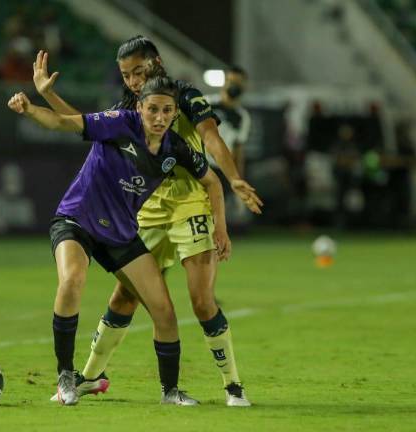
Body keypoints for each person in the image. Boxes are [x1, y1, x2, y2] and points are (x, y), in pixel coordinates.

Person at [32, 36, 262, 406]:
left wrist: (232, 176)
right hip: (149, 208)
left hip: (190, 205)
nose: (135, 81)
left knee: (201, 301)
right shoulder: (131, 107)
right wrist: (46, 96)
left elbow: (211, 137)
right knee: (125, 295)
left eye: (140, 71)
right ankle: (88, 376)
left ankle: (232, 386)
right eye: (127, 75)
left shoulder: (184, 94)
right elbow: (79, 124)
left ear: (156, 62)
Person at [205, 65, 252, 228]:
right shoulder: (206, 104)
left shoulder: (242, 117)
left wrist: (237, 179)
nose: (233, 86)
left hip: (222, 171)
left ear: (244, 86)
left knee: (215, 219)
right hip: (200, 166)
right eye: (230, 81)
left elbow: (239, 151)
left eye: (238, 83)